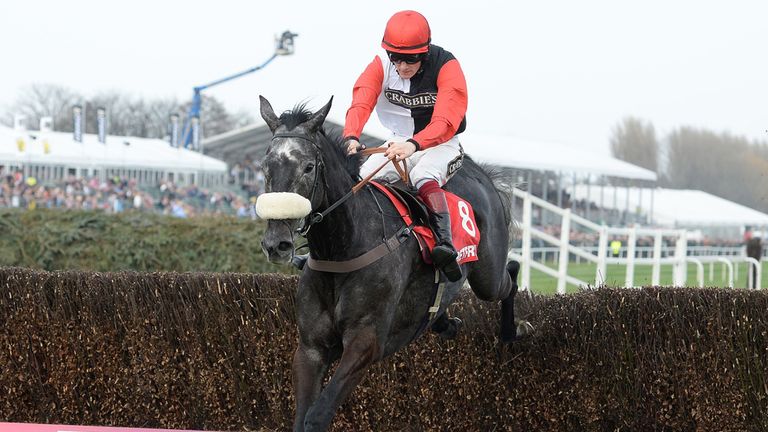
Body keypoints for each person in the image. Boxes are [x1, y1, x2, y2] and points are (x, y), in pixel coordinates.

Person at [343, 10, 467, 282]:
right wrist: (351, 135)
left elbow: (446, 119)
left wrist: (415, 144)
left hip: (442, 144)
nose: (401, 67)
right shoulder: (380, 64)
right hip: (399, 141)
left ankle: (444, 244)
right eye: (395, 58)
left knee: (423, 175)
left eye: (410, 59)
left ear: (424, 51)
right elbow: (362, 99)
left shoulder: (447, 65)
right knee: (361, 181)